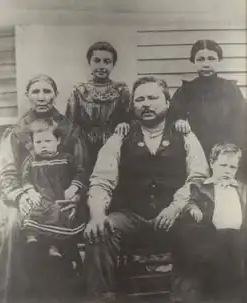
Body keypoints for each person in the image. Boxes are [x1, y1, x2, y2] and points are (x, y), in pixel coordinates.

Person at [83, 76, 209, 302]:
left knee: (195, 230)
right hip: (131, 216)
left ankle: (185, 298)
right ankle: (102, 297)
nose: (146, 104)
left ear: (167, 103)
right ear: (133, 106)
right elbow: (102, 180)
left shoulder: (185, 135)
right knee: (100, 230)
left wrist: (175, 208)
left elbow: (198, 177)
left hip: (174, 216)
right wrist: (97, 214)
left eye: (153, 98)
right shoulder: (120, 137)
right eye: (140, 99)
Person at [0, 74, 88, 302]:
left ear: (55, 95)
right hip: (24, 195)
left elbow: (83, 167)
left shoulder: (71, 130)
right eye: (36, 91)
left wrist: (76, 195)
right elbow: (7, 173)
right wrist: (20, 196)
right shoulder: (15, 132)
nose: (41, 97)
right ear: (27, 95)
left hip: (63, 197)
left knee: (66, 220)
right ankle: (11, 294)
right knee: (10, 225)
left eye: (47, 91)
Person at [177, 143, 246, 302]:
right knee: (217, 271)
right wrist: (193, 208)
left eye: (232, 167)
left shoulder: (242, 189)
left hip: (239, 238)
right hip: (213, 238)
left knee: (237, 273)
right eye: (222, 165)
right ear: (212, 163)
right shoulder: (201, 187)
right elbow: (191, 202)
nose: (227, 170)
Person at [171, 39, 247, 175]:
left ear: (219, 61)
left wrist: (232, 150)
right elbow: (173, 114)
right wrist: (179, 120)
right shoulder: (185, 91)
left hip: (228, 152)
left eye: (211, 58)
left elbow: (242, 121)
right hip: (198, 152)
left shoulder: (231, 89)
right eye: (200, 59)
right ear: (193, 62)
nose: (206, 64)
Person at [21, 119, 87, 257]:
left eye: (48, 141)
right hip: (42, 198)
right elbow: (25, 178)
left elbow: (80, 173)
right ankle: (31, 241)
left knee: (60, 216)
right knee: (32, 215)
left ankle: (54, 247)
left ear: (57, 140)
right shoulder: (32, 162)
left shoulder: (66, 159)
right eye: (38, 142)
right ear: (32, 143)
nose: (43, 146)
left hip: (59, 198)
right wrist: (30, 191)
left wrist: (73, 188)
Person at [65, 41, 131, 169]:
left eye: (107, 62)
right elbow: (70, 122)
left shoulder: (122, 90)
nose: (101, 66)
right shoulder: (79, 91)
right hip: (83, 144)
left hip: (113, 141)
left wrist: (125, 123)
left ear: (113, 65)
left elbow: (130, 117)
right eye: (97, 60)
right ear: (89, 62)